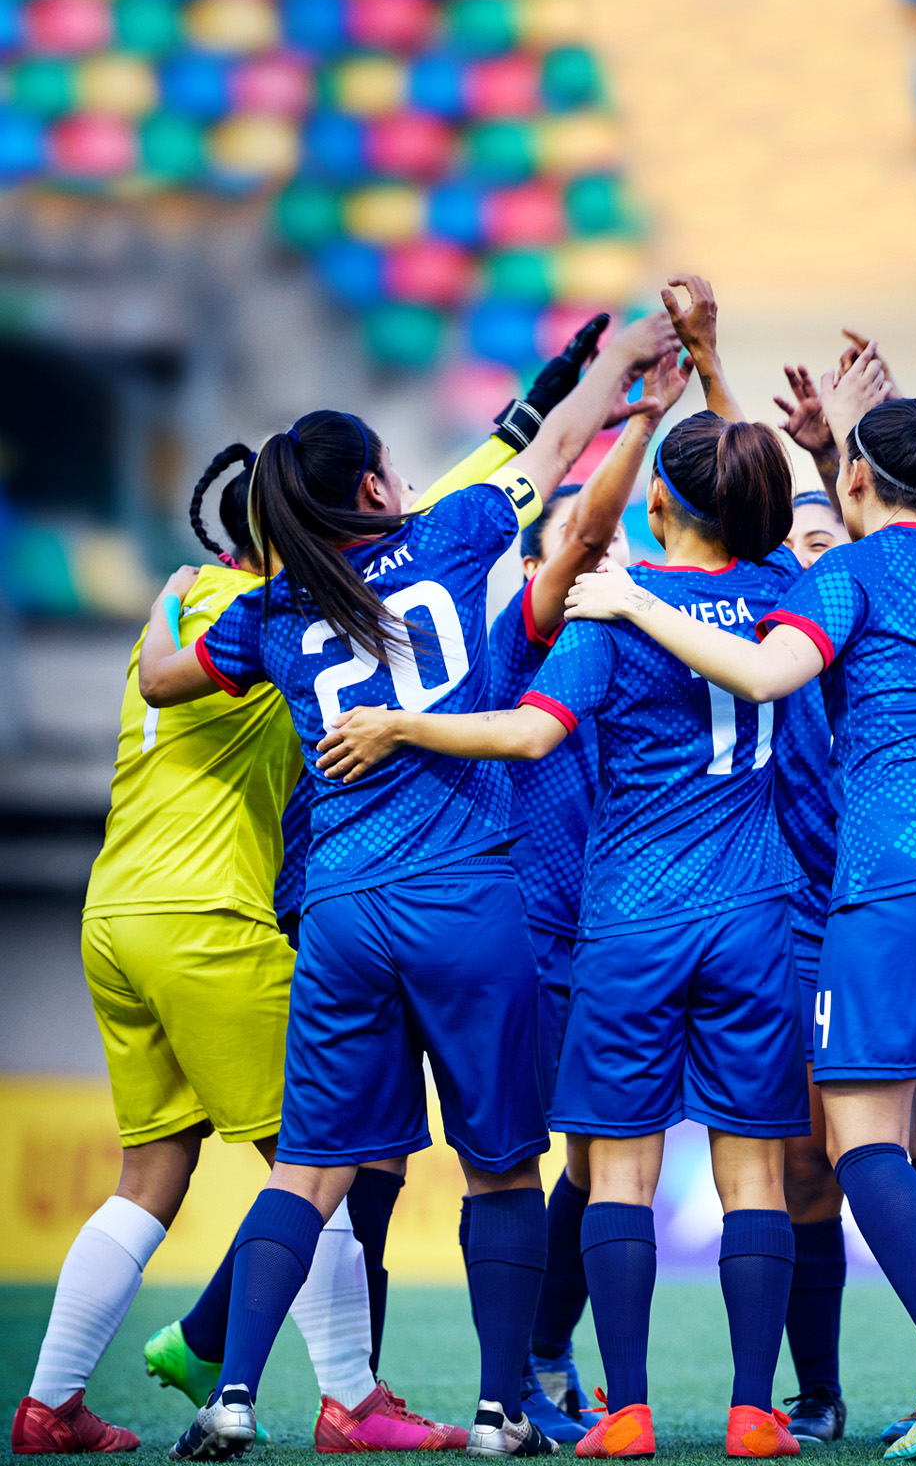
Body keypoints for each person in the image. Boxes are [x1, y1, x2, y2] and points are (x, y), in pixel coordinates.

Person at [136, 311, 676, 1461]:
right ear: (377, 486)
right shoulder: (454, 531)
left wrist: (162, 613)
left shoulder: (268, 610)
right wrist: (624, 371)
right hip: (462, 895)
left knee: (309, 1169)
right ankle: (499, 1412)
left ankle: (233, 1397)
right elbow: (554, 451)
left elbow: (166, 680)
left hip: (339, 909)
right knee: (501, 1168)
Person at [554, 353, 916, 1462]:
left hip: (868, 882)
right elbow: (764, 511)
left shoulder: (835, 577)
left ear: (858, 483)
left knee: (850, 1146)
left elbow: (763, 666)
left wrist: (631, 594)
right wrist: (785, 423)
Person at [317, 404, 812, 1461]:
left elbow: (526, 734)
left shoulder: (608, 614)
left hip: (630, 923)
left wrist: (400, 723)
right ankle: (752, 1413)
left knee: (618, 1176)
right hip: (753, 913)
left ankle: (625, 1413)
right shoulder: (786, 591)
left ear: (658, 501)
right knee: (756, 1178)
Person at [8, 445, 432, 1457]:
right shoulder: (278, 618)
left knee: (151, 1175)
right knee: (322, 1152)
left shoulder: (177, 607)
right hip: (210, 919)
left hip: (115, 915)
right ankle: (352, 1403)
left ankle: (48, 1406)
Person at [486, 349, 694, 1444]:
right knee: (522, 1162)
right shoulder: (534, 634)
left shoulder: (638, 639)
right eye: (582, 541)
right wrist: (641, 424)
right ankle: (511, 1378)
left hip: (608, 934)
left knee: (592, 1160)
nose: (603, 554)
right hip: (528, 932)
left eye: (614, 545)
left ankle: (545, 1351)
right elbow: (580, 540)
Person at [771, 488, 851, 1446]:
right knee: (807, 1163)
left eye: (822, 538)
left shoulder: (895, 634)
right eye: (785, 542)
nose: (802, 556)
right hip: (795, 916)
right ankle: (819, 1390)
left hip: (901, 907)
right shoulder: (761, 654)